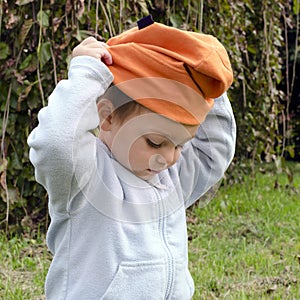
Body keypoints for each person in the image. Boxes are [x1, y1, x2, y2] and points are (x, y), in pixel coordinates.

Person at [28, 15, 236, 300]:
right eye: (156, 142)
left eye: (180, 145)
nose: (171, 158)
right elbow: (56, 141)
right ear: (109, 117)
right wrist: (87, 72)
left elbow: (215, 151)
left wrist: (202, 85)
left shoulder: (171, 180)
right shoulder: (85, 177)